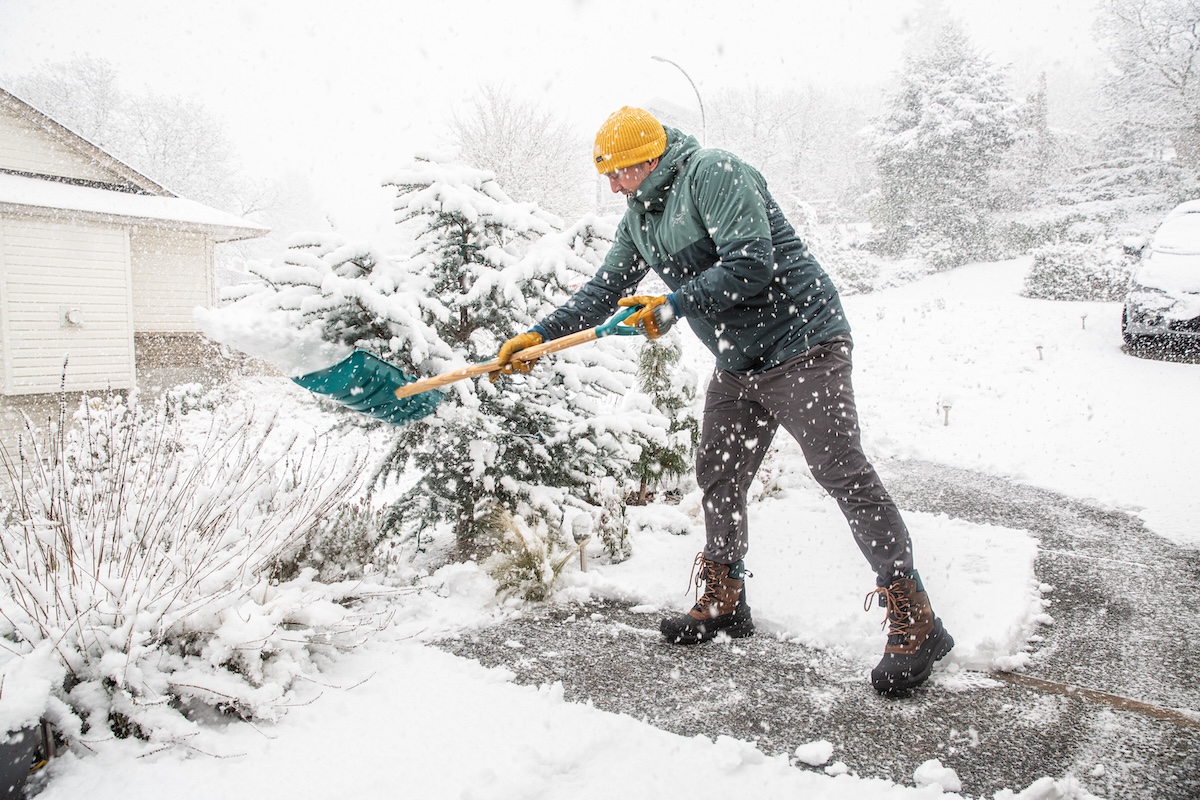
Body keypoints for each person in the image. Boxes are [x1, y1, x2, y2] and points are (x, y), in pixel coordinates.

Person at [494, 106, 953, 695]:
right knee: (719, 473)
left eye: (618, 173)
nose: (611, 186)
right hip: (740, 361)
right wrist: (541, 335)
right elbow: (605, 290)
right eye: (605, 174)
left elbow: (751, 266)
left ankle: (915, 615)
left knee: (841, 471)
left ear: (649, 160)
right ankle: (725, 595)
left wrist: (673, 305)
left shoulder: (714, 173)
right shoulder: (641, 217)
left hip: (803, 341)